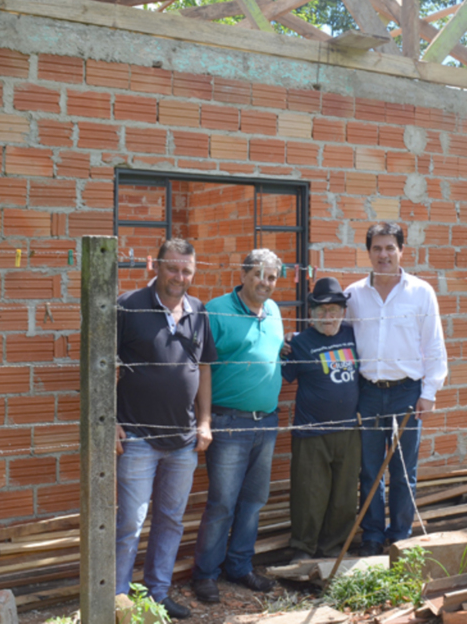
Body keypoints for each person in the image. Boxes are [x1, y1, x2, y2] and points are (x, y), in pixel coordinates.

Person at [115, 238, 216, 620]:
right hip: (138, 436)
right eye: (172, 268)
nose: (179, 277)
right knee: (130, 522)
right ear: (153, 265)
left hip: (184, 440)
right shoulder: (128, 306)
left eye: (187, 270)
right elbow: (106, 363)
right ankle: (119, 603)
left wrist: (204, 422)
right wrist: (109, 423)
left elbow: (204, 368)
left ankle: (156, 597)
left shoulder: (197, 310)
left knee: (171, 520)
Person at [346, 222, 448, 556]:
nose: (384, 255)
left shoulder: (421, 292)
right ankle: (373, 535)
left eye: (390, 247)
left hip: (407, 391)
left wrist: (429, 393)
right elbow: (339, 337)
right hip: (369, 391)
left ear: (401, 250)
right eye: (377, 248)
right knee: (370, 469)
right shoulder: (354, 295)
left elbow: (434, 345)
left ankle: (400, 533)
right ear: (369, 252)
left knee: (404, 469)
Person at [192, 249, 284, 603]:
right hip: (228, 422)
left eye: (272, 277)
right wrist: (203, 419)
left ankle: (240, 566)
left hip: (267, 422)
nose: (265, 282)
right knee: (222, 503)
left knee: (254, 501)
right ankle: (205, 575)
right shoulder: (216, 310)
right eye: (259, 274)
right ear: (244, 274)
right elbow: (200, 366)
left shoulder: (274, 311)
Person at [282, 277, 360, 562]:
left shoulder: (353, 336)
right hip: (311, 433)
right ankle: (303, 550)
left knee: (344, 495)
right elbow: (282, 374)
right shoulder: (300, 343)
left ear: (343, 312)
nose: (328, 317)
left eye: (334, 310)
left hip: (349, 431)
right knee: (309, 495)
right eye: (321, 311)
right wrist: (282, 343)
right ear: (312, 313)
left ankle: (334, 550)